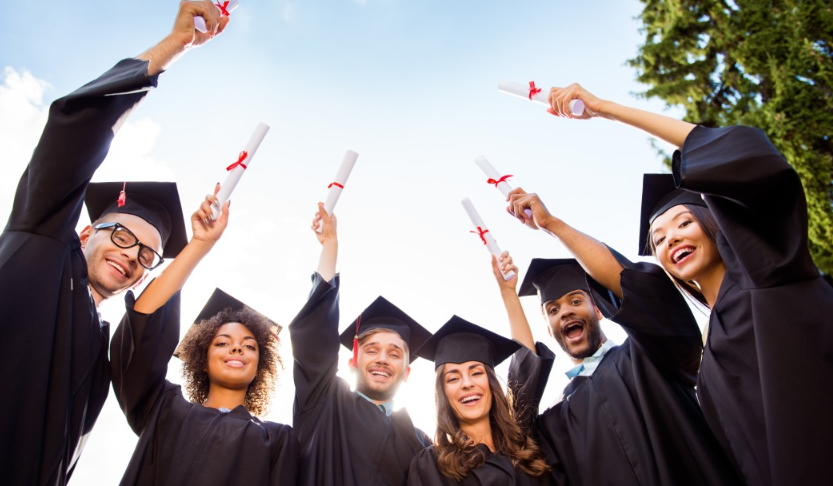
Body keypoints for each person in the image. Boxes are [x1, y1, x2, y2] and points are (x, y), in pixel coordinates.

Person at [541, 83, 833, 485]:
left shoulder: (765, 274)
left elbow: (742, 156)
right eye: (658, 238)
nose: (670, 238)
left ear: (716, 221)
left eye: (683, 222)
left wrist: (605, 109)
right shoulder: (707, 361)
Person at [0, 3, 228, 482]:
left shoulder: (102, 349)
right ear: (85, 232)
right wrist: (173, 48)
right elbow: (69, 142)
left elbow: (148, 326)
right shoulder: (40, 248)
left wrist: (197, 248)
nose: (131, 256)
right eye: (122, 236)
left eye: (146, 255)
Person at [491, 249, 740, 484]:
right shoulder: (557, 420)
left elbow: (647, 299)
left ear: (598, 310)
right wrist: (508, 295)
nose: (565, 312)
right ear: (549, 329)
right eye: (553, 310)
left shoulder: (646, 356)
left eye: (576, 301)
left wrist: (550, 225)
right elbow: (518, 412)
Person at [109, 184, 298, 485]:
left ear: (260, 365)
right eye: (223, 342)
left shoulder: (277, 439)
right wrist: (199, 244)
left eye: (249, 346)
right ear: (202, 357)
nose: (237, 350)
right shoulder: (163, 408)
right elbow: (142, 327)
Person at [288, 203, 434, 486]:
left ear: (406, 373)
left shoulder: (421, 443)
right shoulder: (324, 402)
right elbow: (315, 338)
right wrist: (330, 246)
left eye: (394, 354)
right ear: (352, 362)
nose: (382, 358)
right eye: (371, 349)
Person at [407, 316, 552, 486]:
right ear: (443, 393)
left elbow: (527, 365)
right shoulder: (432, 464)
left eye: (476, 373)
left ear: (491, 384)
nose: (467, 384)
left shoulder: (527, 451)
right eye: (453, 378)